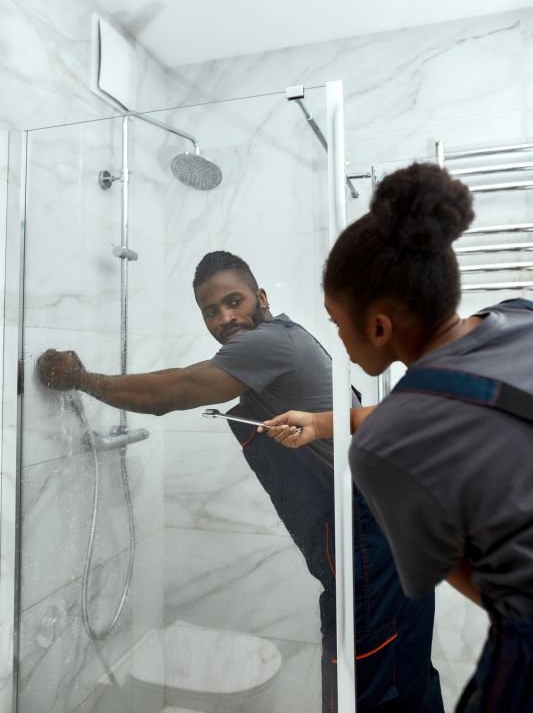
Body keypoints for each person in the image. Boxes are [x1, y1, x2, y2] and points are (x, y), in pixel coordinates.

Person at [37, 250, 443, 713]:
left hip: (367, 531)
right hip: (391, 524)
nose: (225, 317)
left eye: (235, 301)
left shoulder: (266, 343)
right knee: (406, 675)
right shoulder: (287, 337)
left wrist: (79, 378)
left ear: (261, 297)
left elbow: (170, 392)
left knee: (367, 684)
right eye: (211, 310)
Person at [263, 163, 533, 712]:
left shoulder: (387, 452)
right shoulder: (517, 315)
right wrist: (320, 422)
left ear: (379, 328)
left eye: (338, 324)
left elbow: (482, 583)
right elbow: (444, 405)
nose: (338, 339)